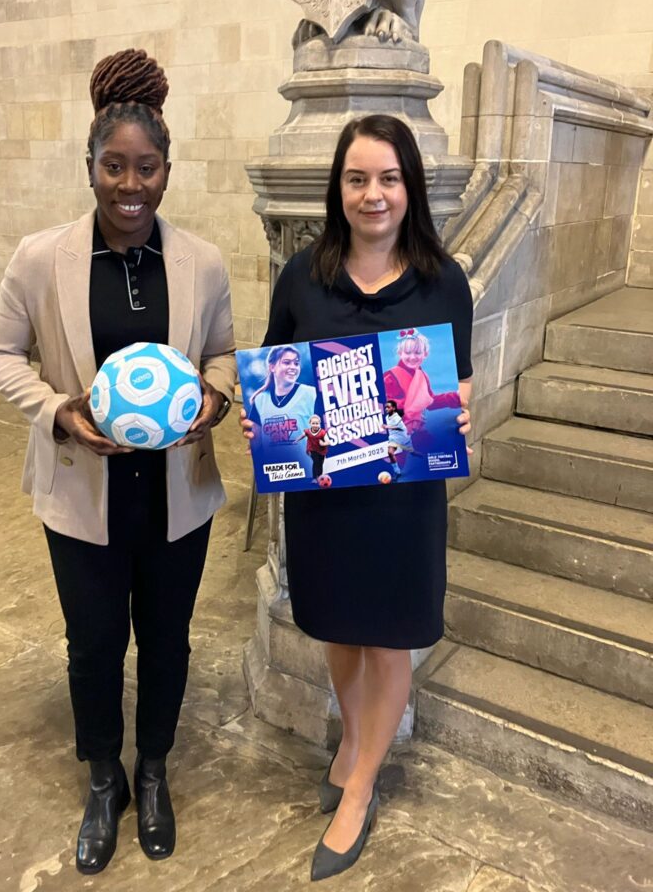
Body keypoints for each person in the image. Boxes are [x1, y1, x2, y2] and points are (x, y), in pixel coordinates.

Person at [0, 49, 236, 875]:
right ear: (90, 166)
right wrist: (58, 410)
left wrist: (217, 399)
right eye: (114, 166)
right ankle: (103, 780)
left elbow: (226, 354)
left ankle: (153, 771)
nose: (131, 185)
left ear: (168, 172)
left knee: (166, 642)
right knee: (92, 645)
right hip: (82, 491)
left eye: (147, 169)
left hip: (175, 497)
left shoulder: (202, 260)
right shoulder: (39, 257)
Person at [241, 114, 472, 881]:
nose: (373, 195)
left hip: (402, 504)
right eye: (357, 179)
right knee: (339, 629)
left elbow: (457, 383)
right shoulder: (301, 277)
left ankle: (362, 783)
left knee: (389, 638)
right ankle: (351, 739)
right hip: (326, 501)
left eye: (389, 179)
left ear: (410, 188)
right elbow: (278, 377)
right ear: (337, 187)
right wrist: (261, 417)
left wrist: (460, 407)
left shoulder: (445, 282)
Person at [247, 344, 318, 452]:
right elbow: (255, 446)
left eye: (296, 363)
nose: (293, 367)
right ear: (272, 367)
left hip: (307, 467)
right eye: (286, 362)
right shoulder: (260, 400)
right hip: (272, 467)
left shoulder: (312, 394)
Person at [382, 399, 413, 476]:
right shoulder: (387, 417)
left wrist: (387, 426)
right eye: (385, 407)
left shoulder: (397, 417)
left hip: (403, 438)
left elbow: (398, 427)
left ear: (393, 408)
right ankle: (397, 471)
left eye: (388, 407)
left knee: (414, 453)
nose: (386, 409)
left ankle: (423, 457)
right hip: (393, 439)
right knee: (390, 452)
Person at [295, 414, 330, 482]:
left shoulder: (322, 432)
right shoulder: (308, 431)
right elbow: (302, 436)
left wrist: (323, 443)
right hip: (312, 449)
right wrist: (297, 440)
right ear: (310, 423)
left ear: (319, 424)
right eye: (313, 423)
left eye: (317, 423)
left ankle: (320, 476)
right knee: (315, 462)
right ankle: (314, 478)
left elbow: (328, 442)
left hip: (321, 450)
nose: (315, 425)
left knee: (320, 463)